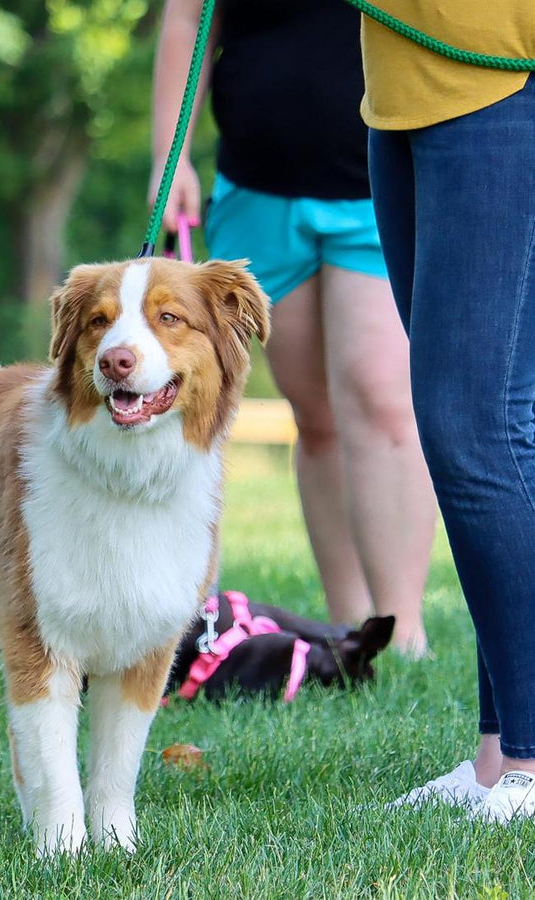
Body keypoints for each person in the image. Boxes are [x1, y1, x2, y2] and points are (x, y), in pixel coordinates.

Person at [149, 0, 436, 656]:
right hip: (256, 184)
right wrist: (171, 160)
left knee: (379, 398)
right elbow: (188, 18)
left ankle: (401, 629)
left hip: (378, 178)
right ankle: (349, 625)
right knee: (315, 412)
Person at [358, 2, 535, 821]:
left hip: (501, 76)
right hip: (405, 84)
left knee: (475, 426)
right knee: (495, 425)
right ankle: (500, 757)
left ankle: (533, 758)